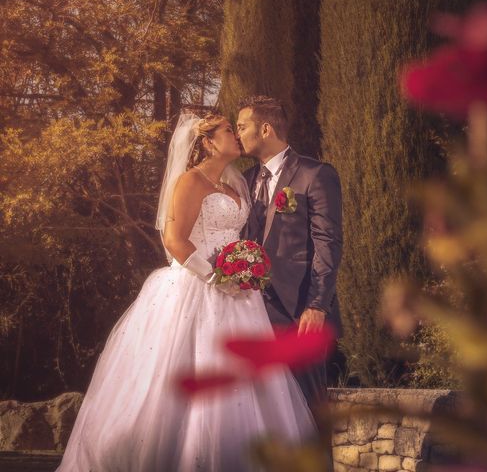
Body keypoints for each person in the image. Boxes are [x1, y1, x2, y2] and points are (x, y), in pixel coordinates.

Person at [56, 113, 315, 472]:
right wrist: (216, 277)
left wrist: (244, 266)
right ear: (207, 142)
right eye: (228, 131)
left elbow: (240, 236)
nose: (236, 136)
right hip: (197, 287)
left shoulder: (235, 184)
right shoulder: (190, 182)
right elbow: (174, 240)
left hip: (240, 297)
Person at [237, 96, 343, 409]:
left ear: (265, 129)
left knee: (307, 410)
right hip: (252, 313)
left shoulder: (316, 174)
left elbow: (329, 242)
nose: (238, 133)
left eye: (243, 127)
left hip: (299, 314)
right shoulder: (245, 181)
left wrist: (317, 305)